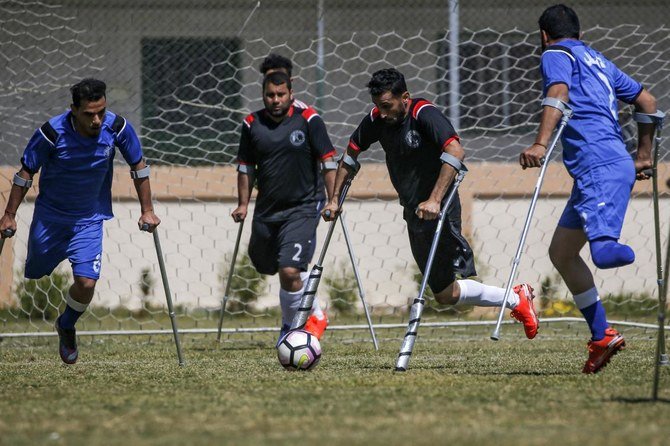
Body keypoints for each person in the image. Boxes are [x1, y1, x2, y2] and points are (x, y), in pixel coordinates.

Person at [323, 68, 539, 340]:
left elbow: (455, 150)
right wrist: (333, 199)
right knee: (445, 294)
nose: (383, 113)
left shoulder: (424, 114)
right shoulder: (377, 118)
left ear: (405, 97)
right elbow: (351, 154)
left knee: (446, 281)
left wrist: (435, 200)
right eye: (378, 106)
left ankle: (514, 299)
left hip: (441, 208)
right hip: (413, 210)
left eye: (387, 106)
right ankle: (516, 297)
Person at [519, 4, 658, 373]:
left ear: (543, 35)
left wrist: (540, 144)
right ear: (580, 33)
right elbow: (647, 101)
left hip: (598, 167)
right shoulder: (598, 59)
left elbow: (559, 92)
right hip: (604, 168)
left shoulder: (554, 53)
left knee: (605, 253)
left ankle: (628, 250)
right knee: (562, 253)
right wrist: (642, 156)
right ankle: (602, 335)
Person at [0, 78, 161, 364]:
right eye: (89, 114)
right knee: (37, 272)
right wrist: (9, 215)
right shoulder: (51, 132)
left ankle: (67, 324)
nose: (97, 120)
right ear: (73, 109)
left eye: (101, 111)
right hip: (50, 218)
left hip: (89, 218)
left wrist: (147, 210)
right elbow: (26, 173)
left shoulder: (118, 128)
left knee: (86, 283)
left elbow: (139, 166)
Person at [232, 71, 336, 344]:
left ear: (291, 94)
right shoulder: (252, 123)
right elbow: (245, 167)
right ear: (263, 94)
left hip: (303, 206)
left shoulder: (309, 120)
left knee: (289, 270)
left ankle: (291, 330)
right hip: (267, 210)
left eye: (281, 94)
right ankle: (315, 311)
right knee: (265, 265)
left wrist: (332, 199)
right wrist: (243, 204)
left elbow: (328, 161)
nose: (275, 100)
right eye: (270, 95)